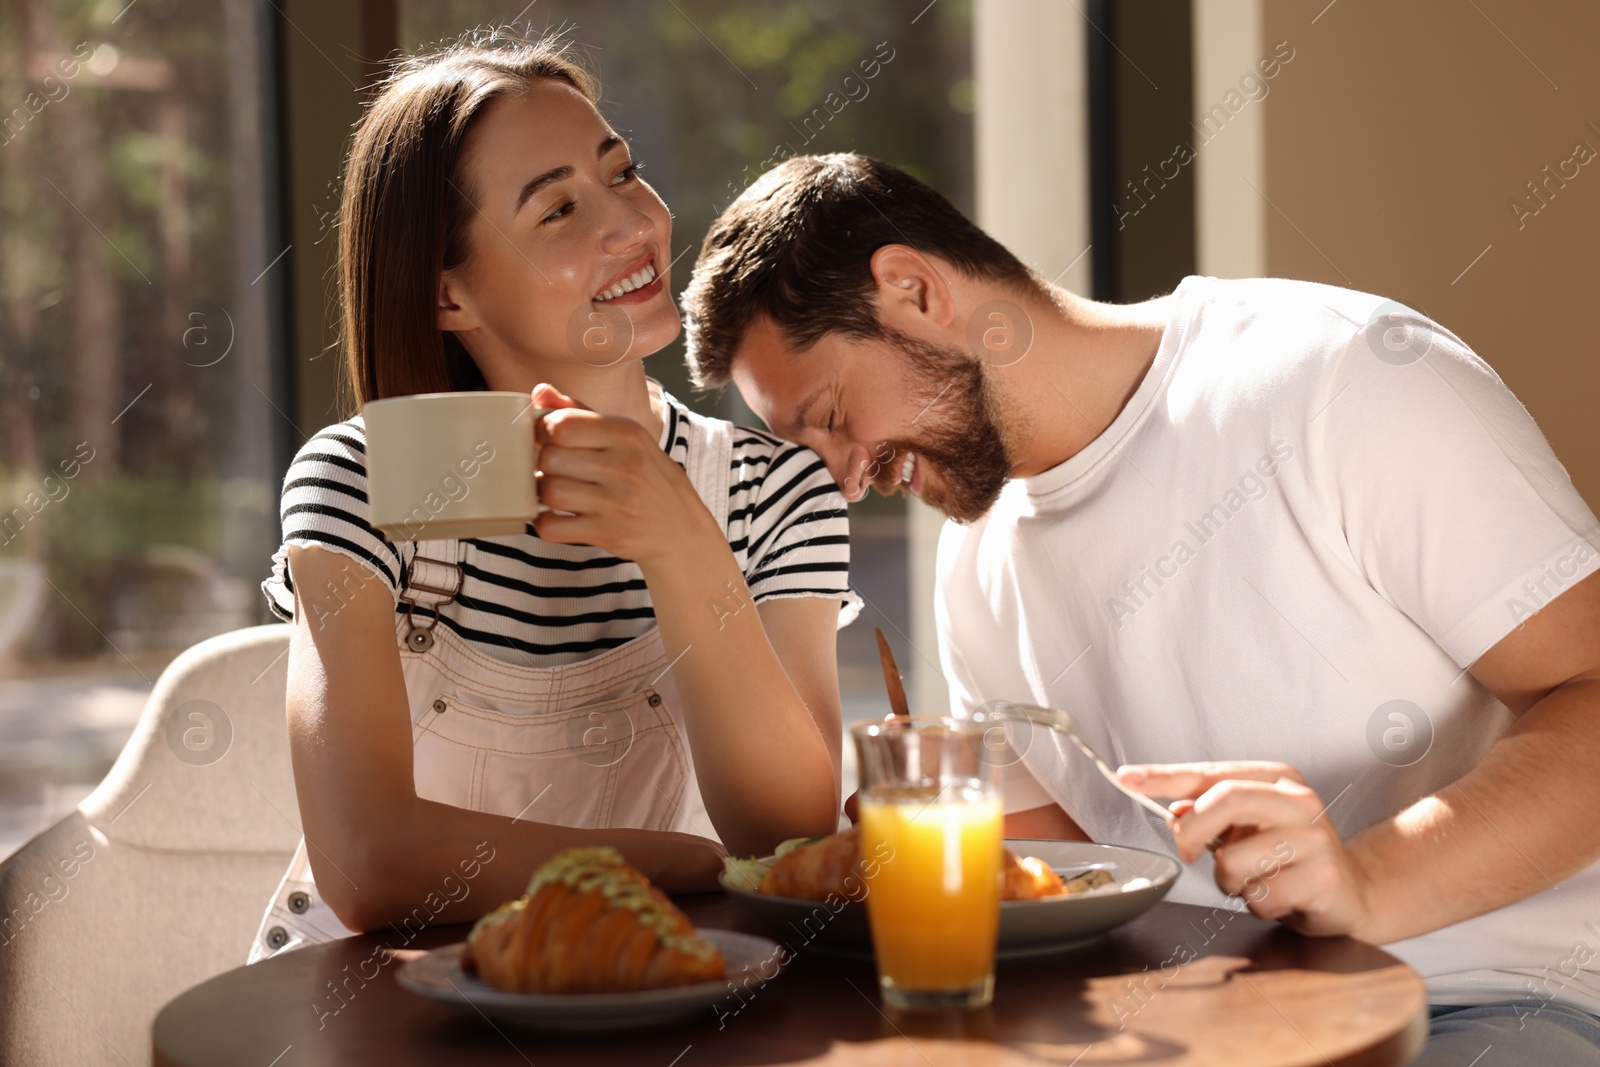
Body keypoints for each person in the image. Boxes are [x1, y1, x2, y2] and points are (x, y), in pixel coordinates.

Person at [682, 152, 1600, 1063]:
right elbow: (1077, 863)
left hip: (1491, 1004)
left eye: (834, 415)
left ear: (915, 289)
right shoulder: (973, 559)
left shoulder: (1343, 378)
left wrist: (1367, 878)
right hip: (1190, 1027)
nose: (845, 481)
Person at [246, 34, 858, 963]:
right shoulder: (365, 482)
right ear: (448, 294)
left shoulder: (774, 493)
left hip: (642, 993)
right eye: (561, 208)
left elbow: (786, 838)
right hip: (385, 1018)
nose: (635, 224)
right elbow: (370, 862)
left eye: (624, 172)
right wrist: (685, 864)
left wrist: (686, 547)